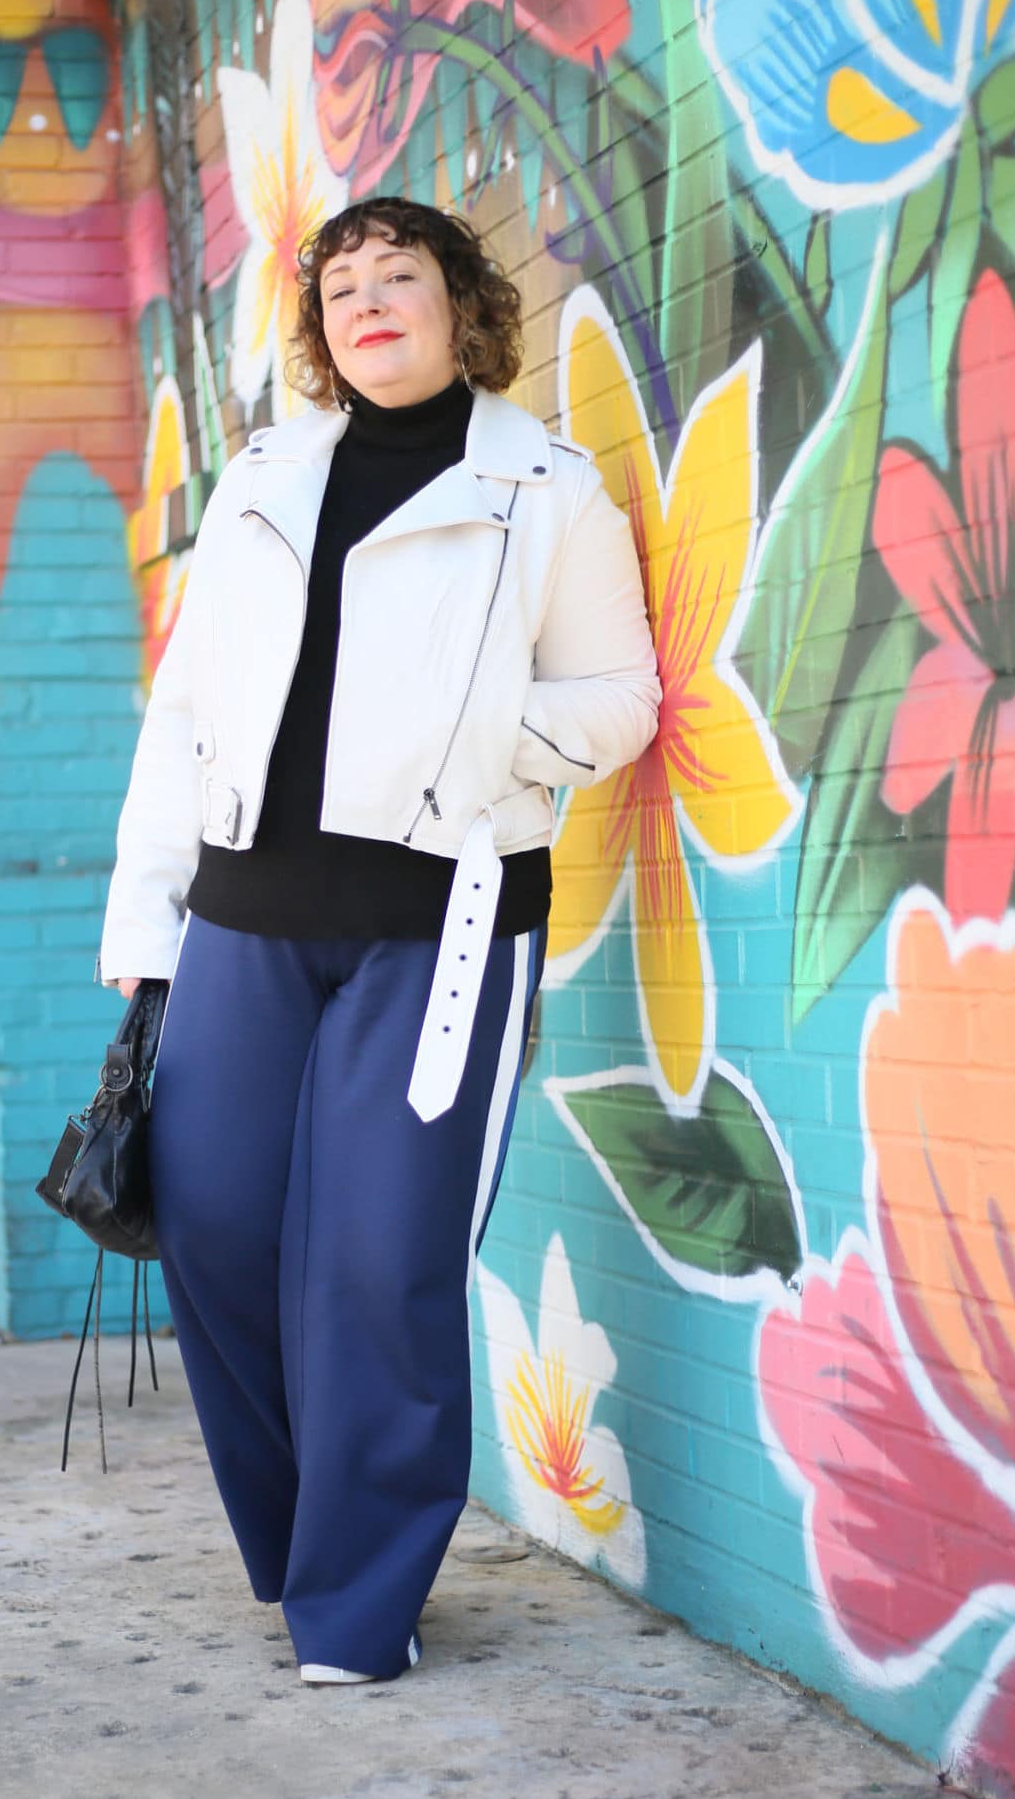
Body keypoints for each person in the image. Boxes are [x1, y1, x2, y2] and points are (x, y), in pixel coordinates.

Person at [99, 198, 659, 1684]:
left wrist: (486, 740)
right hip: (242, 925)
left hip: (442, 928)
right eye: (340, 286)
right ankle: (303, 1553)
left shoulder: (546, 484)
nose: (366, 302)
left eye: (397, 275)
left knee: (375, 1260)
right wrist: (143, 926)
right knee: (214, 1231)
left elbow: (621, 696)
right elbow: (189, 706)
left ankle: (360, 1608)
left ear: (460, 303)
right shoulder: (264, 478)